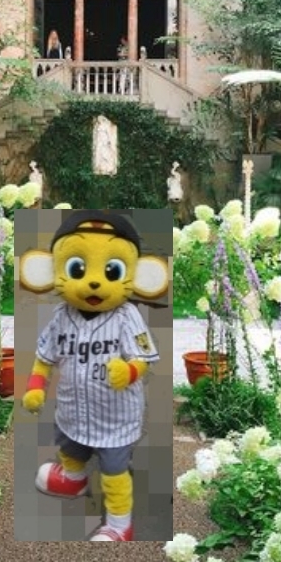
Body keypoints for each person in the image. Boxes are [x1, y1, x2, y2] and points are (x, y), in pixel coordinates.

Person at [20, 211, 170, 541]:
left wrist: (129, 371)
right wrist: (35, 387)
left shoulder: (127, 316)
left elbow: (144, 358)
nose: (93, 281)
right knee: (70, 447)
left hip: (115, 417)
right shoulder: (61, 316)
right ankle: (73, 479)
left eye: (111, 271)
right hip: (72, 410)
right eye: (78, 268)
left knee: (114, 470)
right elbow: (45, 357)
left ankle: (119, 525)